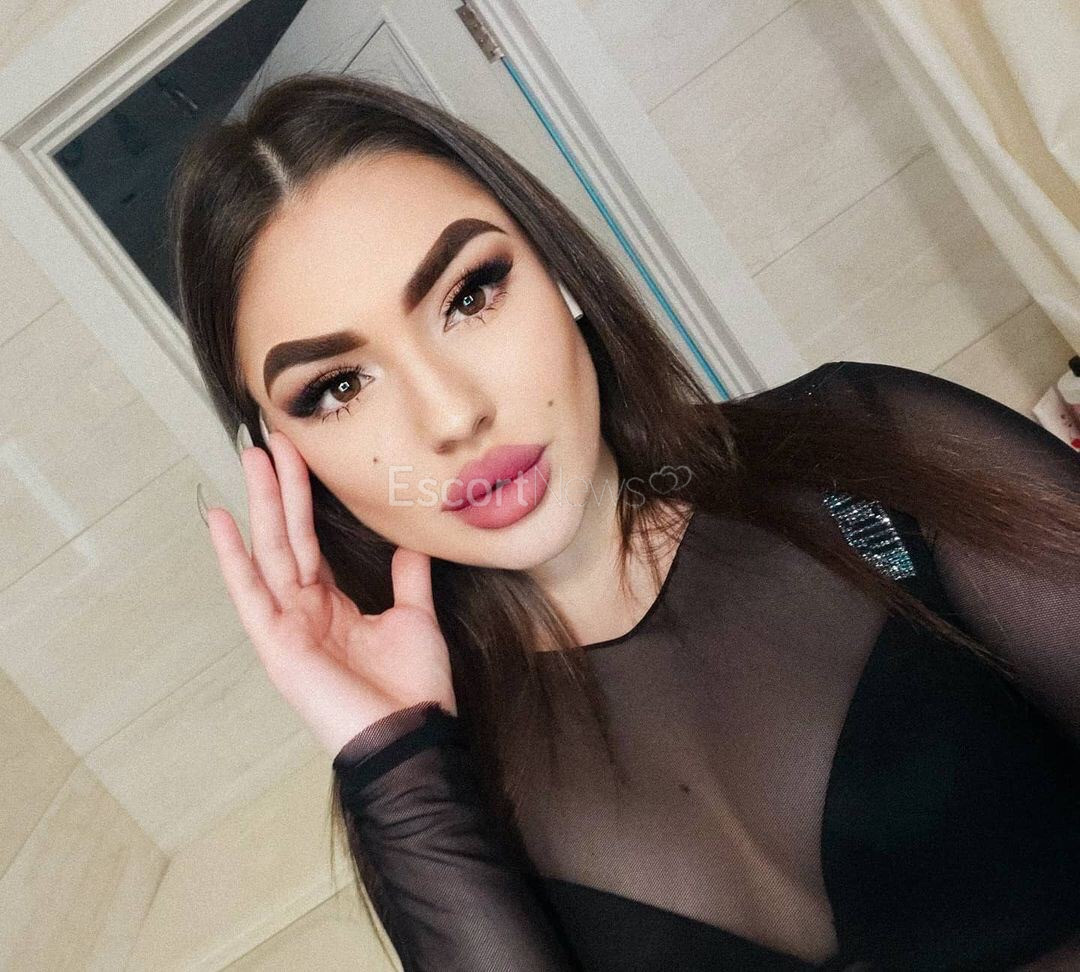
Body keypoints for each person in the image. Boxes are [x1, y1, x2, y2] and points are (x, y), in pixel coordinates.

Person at [169, 73, 1080, 971]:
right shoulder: (422, 781)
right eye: (338, 388)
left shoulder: (870, 452)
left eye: (470, 295)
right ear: (283, 454)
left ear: (558, 271)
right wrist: (400, 767)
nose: (451, 415)